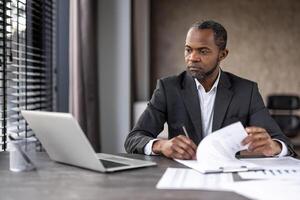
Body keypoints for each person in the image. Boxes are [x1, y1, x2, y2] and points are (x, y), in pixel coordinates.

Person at [124, 20, 296, 160]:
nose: (193, 58)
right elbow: (133, 139)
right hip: (182, 176)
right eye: (188, 50)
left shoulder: (246, 91)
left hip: (230, 176)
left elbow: (284, 144)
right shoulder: (168, 88)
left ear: (222, 55)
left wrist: (274, 147)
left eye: (203, 51)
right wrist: (161, 146)